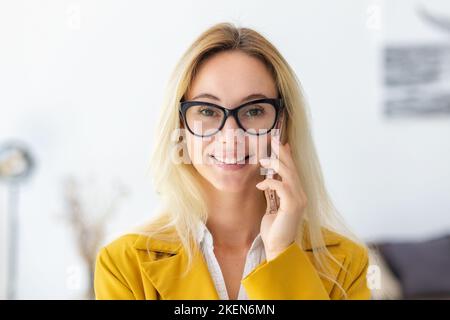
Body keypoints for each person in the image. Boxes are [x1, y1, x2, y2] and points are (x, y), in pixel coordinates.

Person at [94, 22, 371, 300]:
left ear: (281, 122)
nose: (231, 136)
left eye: (253, 111)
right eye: (207, 110)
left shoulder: (347, 264)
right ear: (181, 123)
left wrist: (282, 255)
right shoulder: (123, 265)